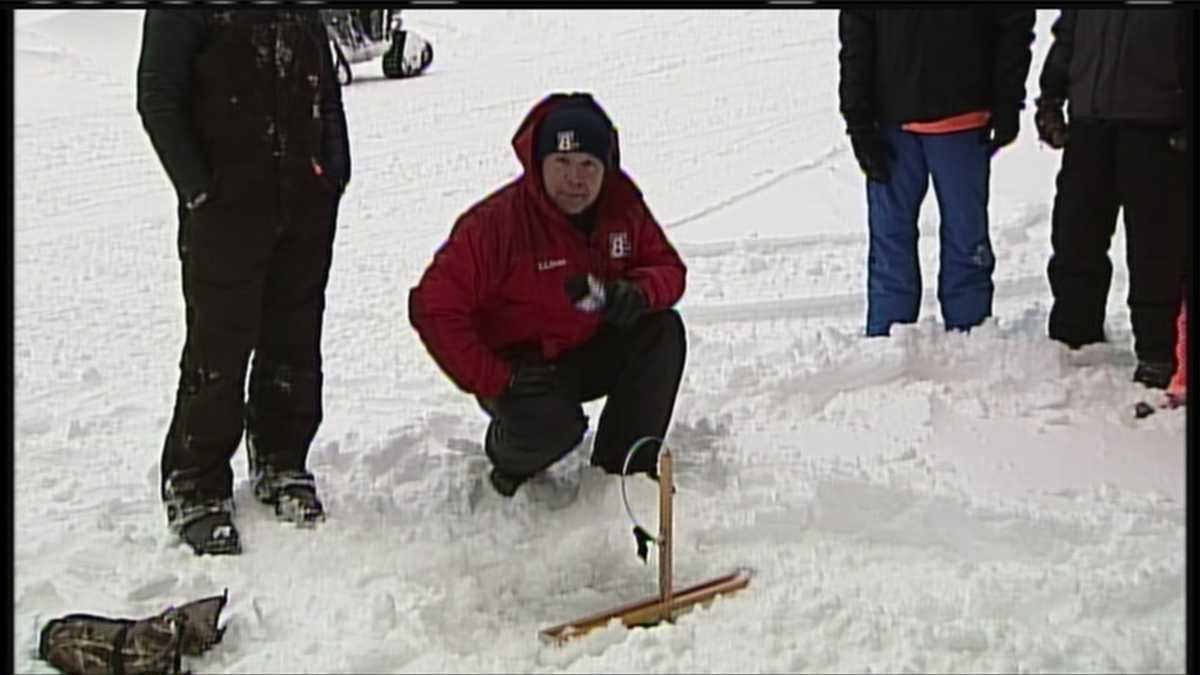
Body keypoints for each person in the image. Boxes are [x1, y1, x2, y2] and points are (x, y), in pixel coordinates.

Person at [137, 9, 350, 555]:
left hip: (302, 202)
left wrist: (335, 171)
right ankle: (196, 485)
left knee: (294, 338)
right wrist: (200, 192)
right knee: (219, 346)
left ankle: (282, 463)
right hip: (226, 209)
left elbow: (325, 85)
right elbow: (158, 97)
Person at [409, 93, 687, 498]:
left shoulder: (621, 205)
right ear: (539, 164)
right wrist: (497, 377)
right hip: (520, 370)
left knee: (661, 330)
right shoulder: (496, 224)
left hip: (584, 345)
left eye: (588, 165)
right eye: (563, 163)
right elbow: (433, 305)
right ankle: (509, 461)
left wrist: (639, 293)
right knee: (554, 427)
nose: (576, 178)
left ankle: (621, 473)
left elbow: (668, 269)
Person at [838, 9, 1036, 336]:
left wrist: (1008, 99)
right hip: (891, 125)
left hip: (962, 118)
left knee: (965, 237)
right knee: (890, 238)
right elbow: (856, 31)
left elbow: (1013, 20)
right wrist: (858, 120)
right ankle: (888, 340)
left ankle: (970, 335)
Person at [1035, 9, 1191, 389]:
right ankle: (1075, 337)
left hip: (1157, 130)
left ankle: (1158, 353)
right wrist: (1051, 98)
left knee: (1156, 250)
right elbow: (1068, 35)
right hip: (1090, 124)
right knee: (1074, 235)